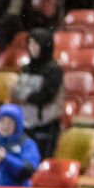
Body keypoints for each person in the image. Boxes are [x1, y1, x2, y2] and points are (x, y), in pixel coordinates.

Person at [10, 27, 63, 159]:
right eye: (30, 43)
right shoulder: (26, 68)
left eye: (36, 44)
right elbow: (15, 92)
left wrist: (23, 95)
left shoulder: (53, 70)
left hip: (44, 125)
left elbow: (44, 96)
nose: (32, 47)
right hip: (25, 123)